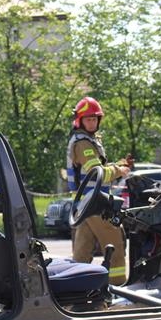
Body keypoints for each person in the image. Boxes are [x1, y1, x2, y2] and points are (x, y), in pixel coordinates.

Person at [66, 96, 131, 285]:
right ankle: (118, 287)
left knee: (83, 250)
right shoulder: (83, 143)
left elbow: (96, 167)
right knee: (115, 243)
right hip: (95, 203)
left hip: (85, 205)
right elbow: (96, 173)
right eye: (88, 119)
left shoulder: (87, 140)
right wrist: (119, 171)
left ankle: (76, 288)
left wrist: (119, 165)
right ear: (79, 121)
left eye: (94, 119)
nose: (92, 123)